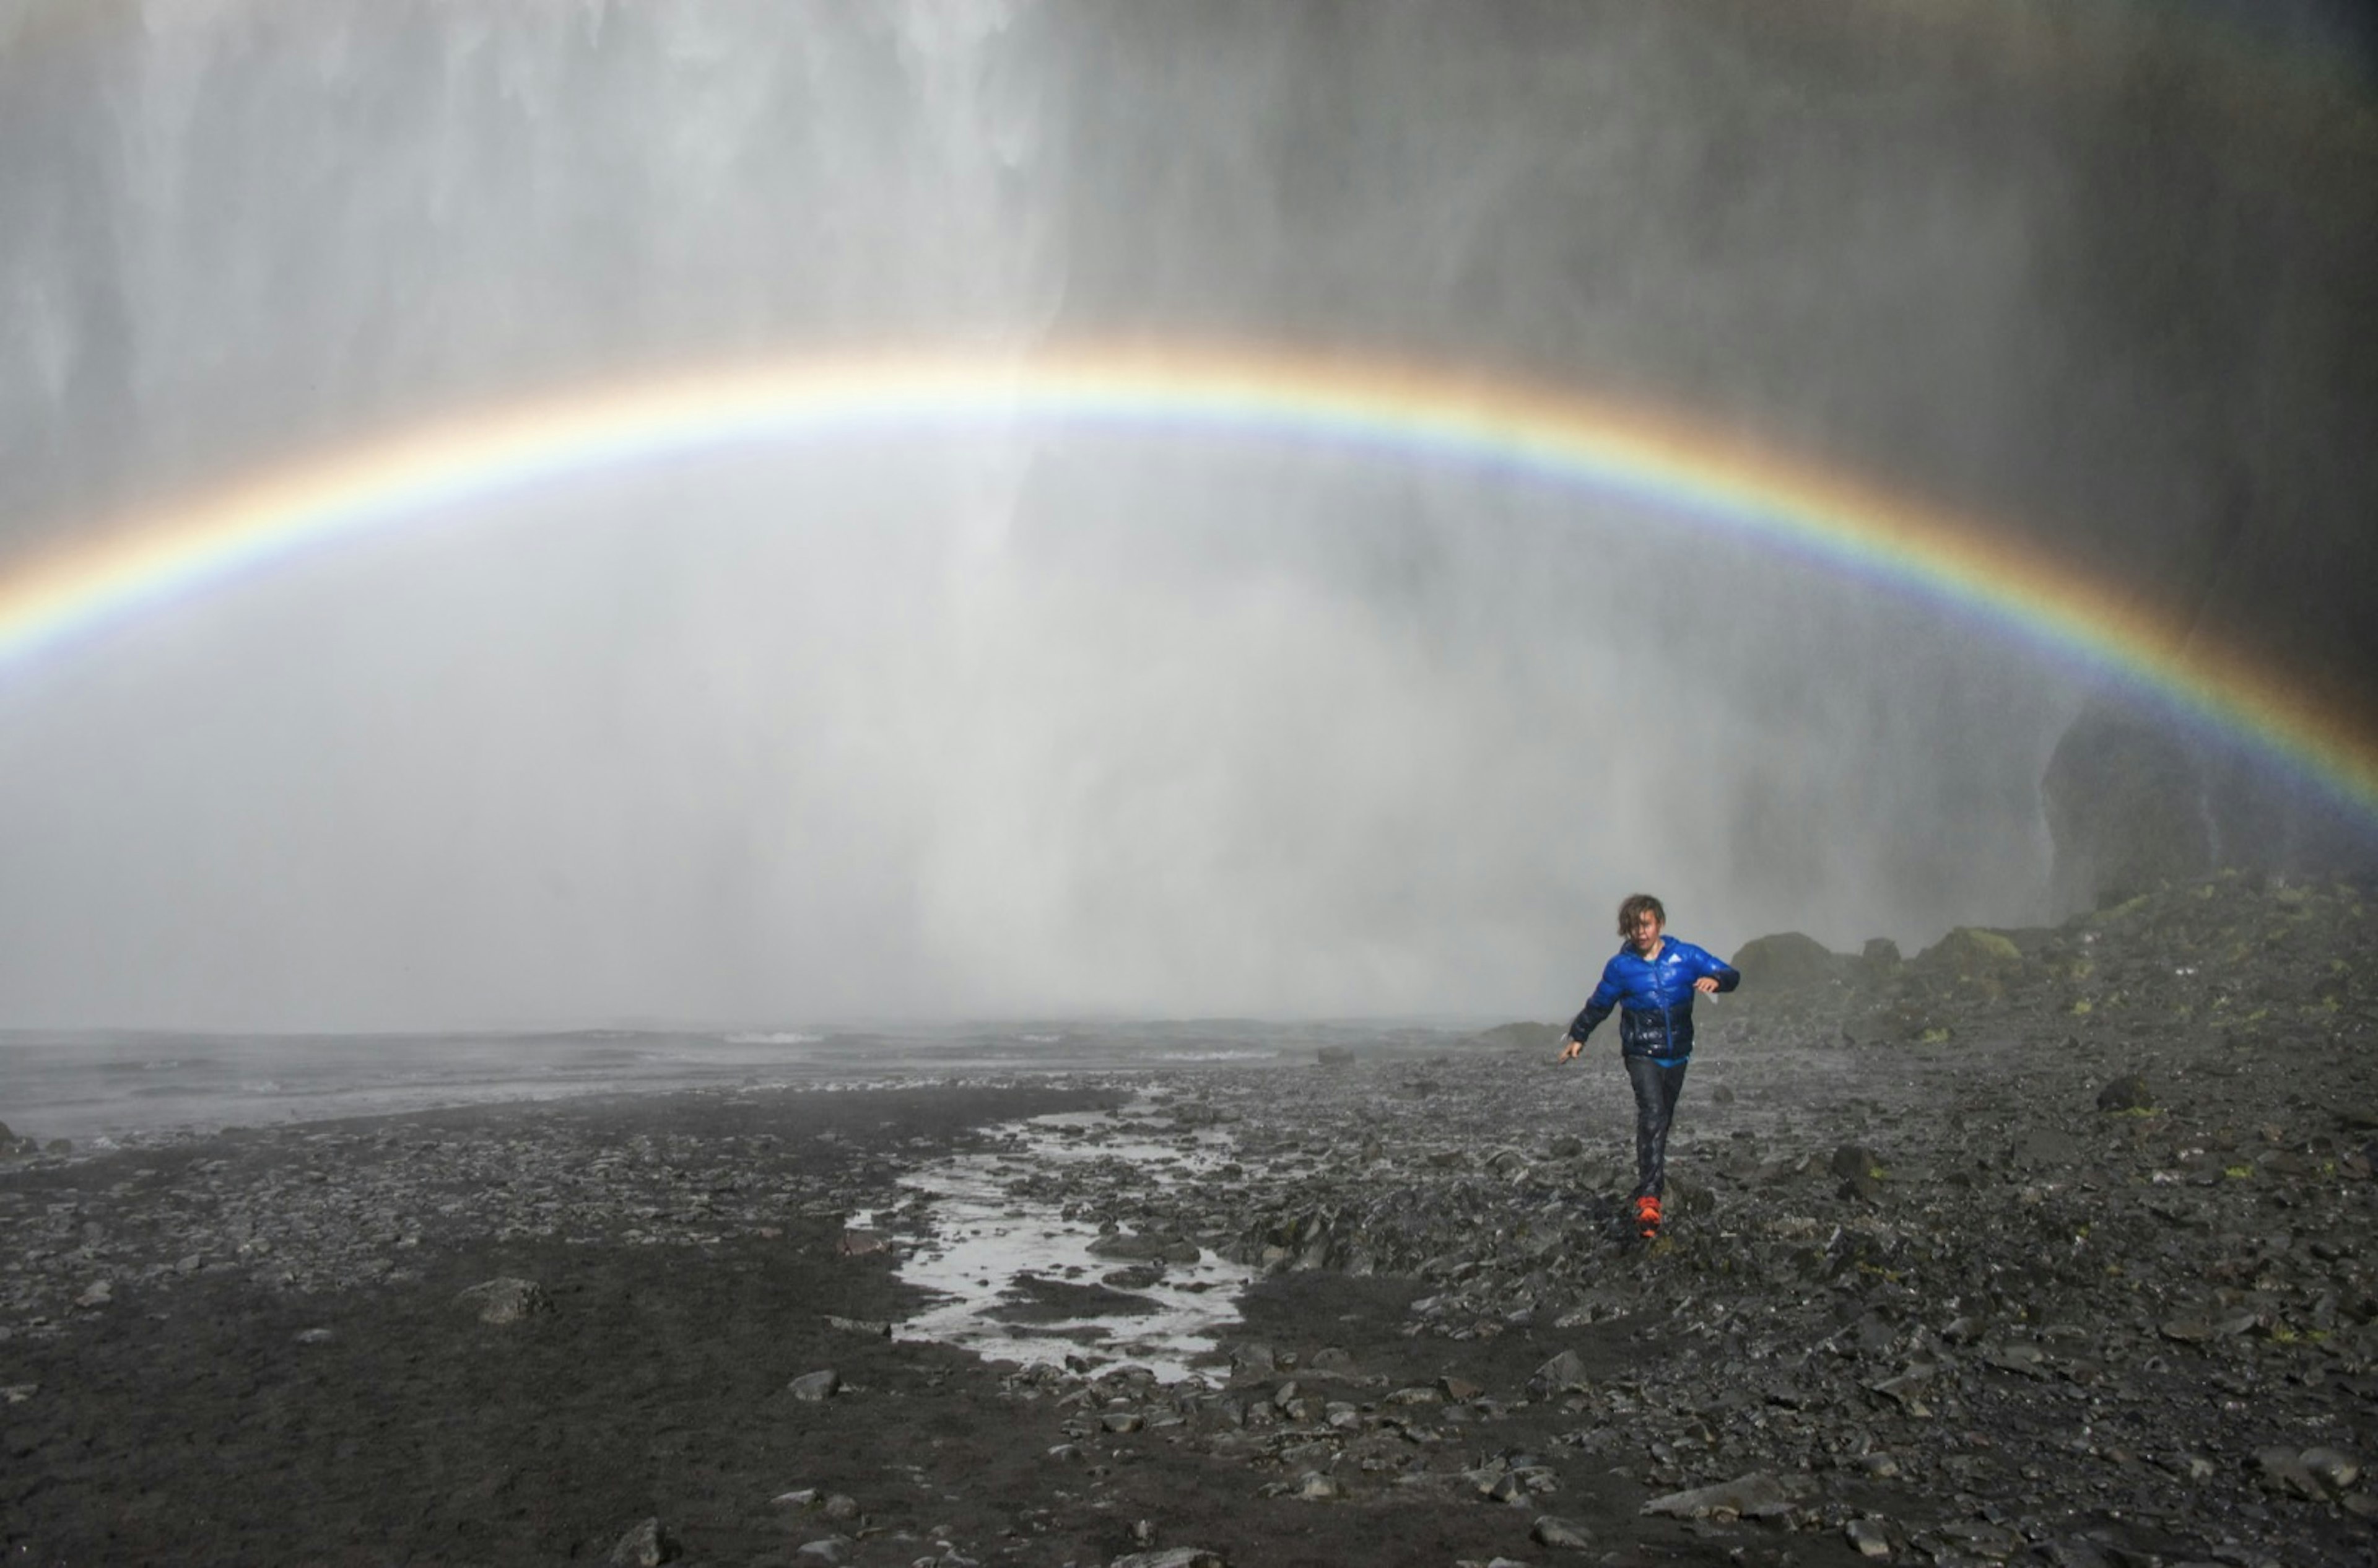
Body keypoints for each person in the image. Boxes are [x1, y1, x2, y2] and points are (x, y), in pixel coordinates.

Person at [1557, 893, 1740, 1240]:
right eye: (1633, 927)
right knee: (1653, 1114)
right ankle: (1650, 1199)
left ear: (1659, 924)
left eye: (1646, 924)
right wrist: (1579, 1035)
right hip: (1641, 1052)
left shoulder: (1685, 956)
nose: (1640, 933)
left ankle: (1651, 1181)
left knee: (1663, 1118)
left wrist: (1718, 982)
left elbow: (1731, 973)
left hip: (1679, 1053)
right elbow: (1599, 1005)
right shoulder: (1621, 967)